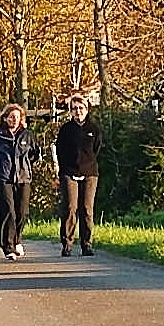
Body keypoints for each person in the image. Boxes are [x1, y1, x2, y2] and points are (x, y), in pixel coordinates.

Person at [0, 103, 35, 260]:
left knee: (22, 212)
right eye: (11, 117)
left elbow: (35, 153)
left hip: (23, 177)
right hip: (4, 178)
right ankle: (7, 246)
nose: (14, 120)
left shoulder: (26, 135)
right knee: (8, 211)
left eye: (17, 117)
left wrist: (26, 165)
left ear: (21, 119)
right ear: (5, 118)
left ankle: (17, 240)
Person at [55, 91, 100, 255]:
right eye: (74, 108)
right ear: (70, 111)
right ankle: (67, 244)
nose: (78, 111)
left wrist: (87, 167)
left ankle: (87, 244)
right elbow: (60, 151)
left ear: (87, 109)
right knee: (70, 207)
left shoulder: (93, 129)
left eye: (81, 108)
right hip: (69, 172)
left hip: (89, 173)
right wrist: (63, 171)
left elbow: (96, 150)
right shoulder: (66, 130)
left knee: (87, 209)